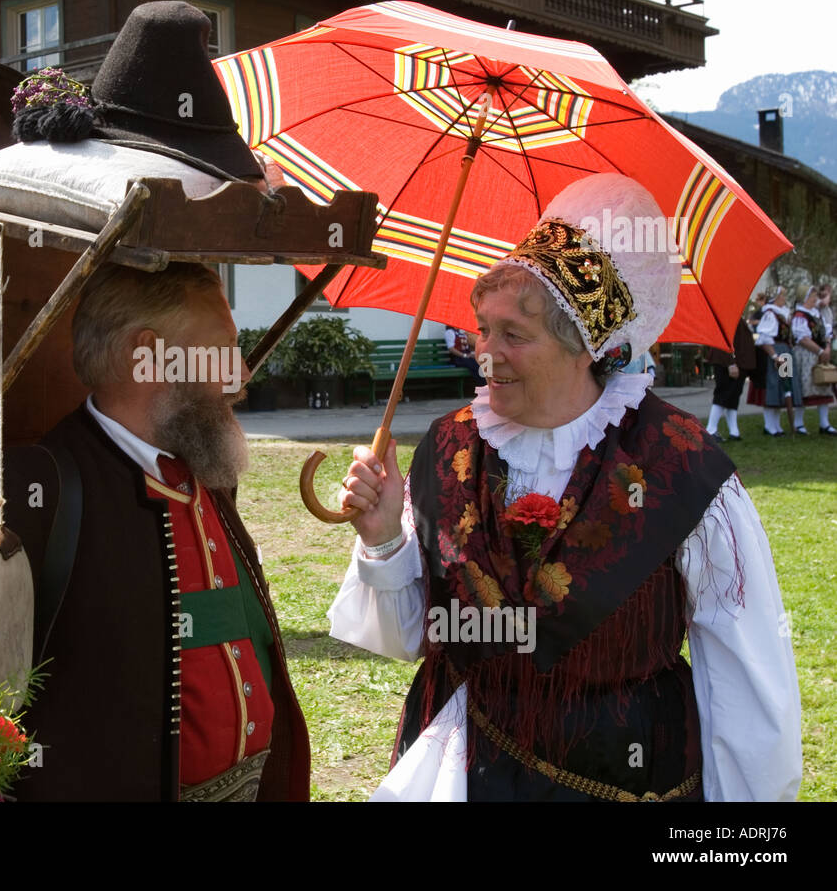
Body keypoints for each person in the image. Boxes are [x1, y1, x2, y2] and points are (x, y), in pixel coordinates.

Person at [328, 173, 802, 801]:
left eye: (514, 335)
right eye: (482, 328)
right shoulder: (448, 448)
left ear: (589, 349)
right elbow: (403, 639)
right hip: (463, 774)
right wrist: (386, 537)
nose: (486, 355)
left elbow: (746, 675)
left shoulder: (679, 465)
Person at [0, 266, 310, 802]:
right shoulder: (35, 488)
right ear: (149, 353)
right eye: (225, 349)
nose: (241, 373)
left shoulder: (204, 470)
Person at [748, 285, 796, 437]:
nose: (784, 299)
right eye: (782, 296)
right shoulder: (770, 314)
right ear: (775, 298)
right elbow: (763, 339)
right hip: (773, 354)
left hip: (785, 352)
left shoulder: (782, 314)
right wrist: (775, 357)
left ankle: (777, 425)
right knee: (772, 387)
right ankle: (769, 426)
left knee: (784, 387)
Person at [790, 284, 835, 435]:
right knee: (804, 388)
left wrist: (827, 347)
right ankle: (799, 422)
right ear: (805, 298)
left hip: (821, 355)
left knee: (824, 385)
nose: (815, 299)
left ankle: (824, 424)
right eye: (812, 296)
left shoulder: (817, 313)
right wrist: (820, 350)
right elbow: (802, 338)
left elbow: (827, 331)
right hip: (806, 355)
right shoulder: (800, 315)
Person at [705, 316, 755, 441]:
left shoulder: (736, 315)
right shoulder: (726, 316)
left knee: (733, 397)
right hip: (728, 362)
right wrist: (730, 362)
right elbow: (721, 339)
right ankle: (711, 430)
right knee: (723, 394)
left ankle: (734, 431)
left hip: (737, 362)